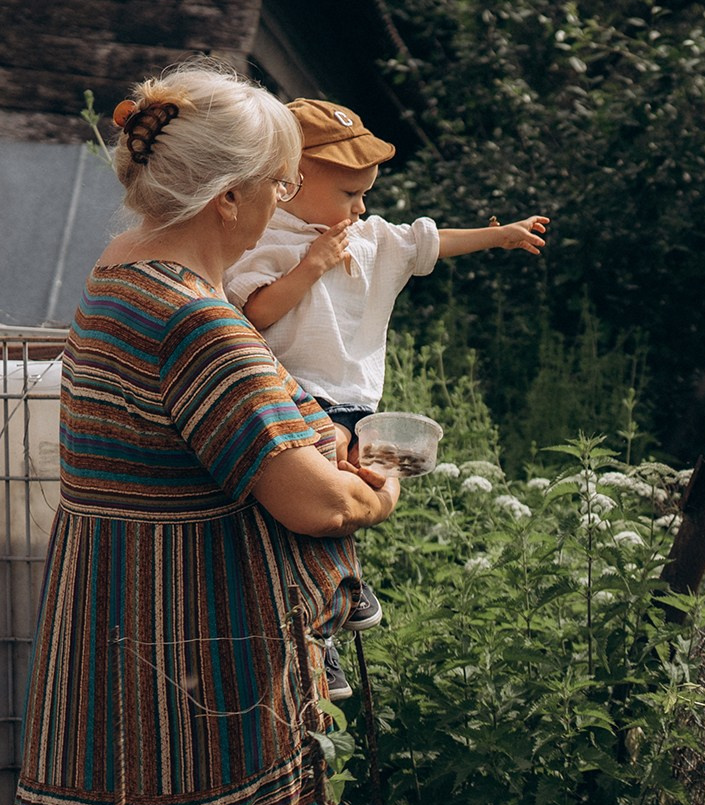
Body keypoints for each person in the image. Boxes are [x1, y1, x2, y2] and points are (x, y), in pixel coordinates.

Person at [0, 63, 398, 805]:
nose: (283, 205)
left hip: (107, 635)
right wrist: (372, 493)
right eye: (276, 186)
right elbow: (307, 497)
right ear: (228, 198)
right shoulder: (194, 318)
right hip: (188, 661)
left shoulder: (118, 278)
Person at [226, 98, 548, 688]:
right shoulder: (266, 237)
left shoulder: (371, 237)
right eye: (350, 193)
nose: (362, 207)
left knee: (354, 492)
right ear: (290, 179)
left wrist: (500, 235)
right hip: (294, 395)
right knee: (322, 495)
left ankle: (339, 597)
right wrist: (312, 265)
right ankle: (325, 626)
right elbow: (255, 311)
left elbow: (428, 242)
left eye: (365, 194)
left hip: (355, 400)